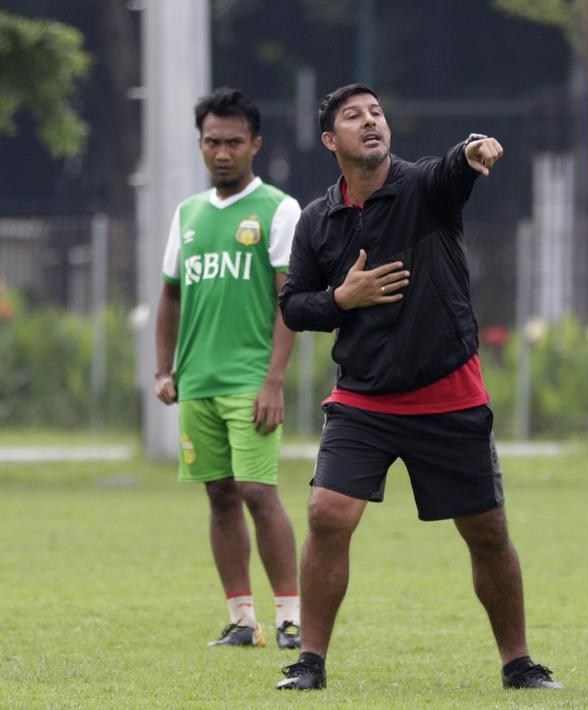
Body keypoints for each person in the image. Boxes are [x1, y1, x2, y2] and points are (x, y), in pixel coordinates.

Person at [274, 83, 562, 693]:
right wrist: (341, 298)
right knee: (326, 515)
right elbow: (294, 306)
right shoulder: (317, 220)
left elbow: (451, 169)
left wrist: (472, 150)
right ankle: (308, 664)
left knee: (488, 533)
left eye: (377, 113)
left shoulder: (424, 189)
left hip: (447, 391)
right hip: (362, 398)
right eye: (353, 116)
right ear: (329, 140)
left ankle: (519, 664)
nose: (370, 122)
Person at [154, 87, 303, 650]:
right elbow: (170, 294)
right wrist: (164, 369)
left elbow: (289, 301)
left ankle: (291, 619)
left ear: (255, 145)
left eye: (234, 142)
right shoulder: (188, 213)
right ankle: (242, 620)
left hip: (251, 380)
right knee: (219, 496)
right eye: (212, 142)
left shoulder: (278, 209)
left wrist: (274, 381)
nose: (222, 153)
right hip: (197, 383)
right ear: (200, 144)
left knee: (258, 492)